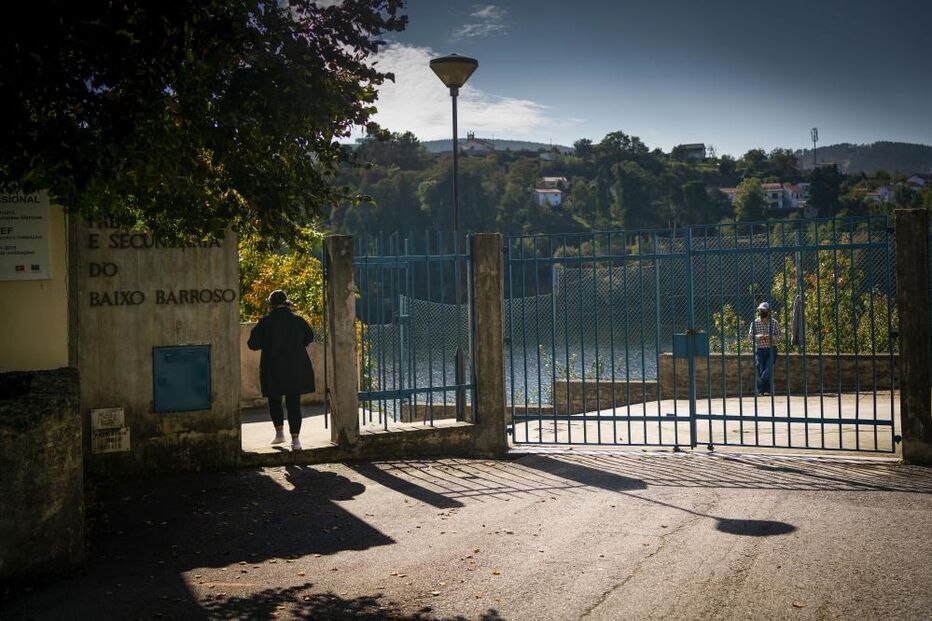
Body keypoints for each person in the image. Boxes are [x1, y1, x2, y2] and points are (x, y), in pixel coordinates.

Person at [247, 290, 315, 450]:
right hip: (295, 368)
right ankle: (296, 440)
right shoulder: (298, 320)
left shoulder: (265, 322)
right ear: (286, 302)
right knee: (294, 404)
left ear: (271, 304)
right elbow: (309, 338)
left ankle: (279, 434)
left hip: (272, 368)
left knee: (274, 401)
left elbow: (252, 344)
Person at [748, 301, 782, 396]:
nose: (761, 312)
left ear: (768, 311)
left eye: (763, 310)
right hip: (759, 349)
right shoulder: (754, 323)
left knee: (767, 369)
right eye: (760, 310)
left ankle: (760, 389)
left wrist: (770, 337)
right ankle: (766, 390)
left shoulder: (774, 323)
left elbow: (780, 337)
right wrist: (758, 337)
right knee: (760, 367)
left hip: (771, 349)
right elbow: (750, 337)